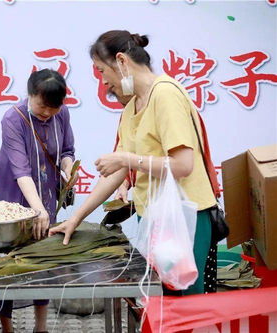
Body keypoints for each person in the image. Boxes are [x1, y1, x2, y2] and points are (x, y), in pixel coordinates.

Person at [50, 30, 219, 295]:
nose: (103, 81)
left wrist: (127, 159)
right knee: (164, 300)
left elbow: (183, 165)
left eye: (101, 71)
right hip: (156, 216)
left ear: (121, 61)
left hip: (185, 216)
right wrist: (77, 218)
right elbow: (117, 173)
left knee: (183, 302)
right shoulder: (133, 107)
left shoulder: (165, 94)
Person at [0, 69, 77, 333]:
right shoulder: (13, 118)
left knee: (42, 256)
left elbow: (67, 150)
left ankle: (41, 327)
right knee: (8, 259)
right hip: (13, 193)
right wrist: (36, 209)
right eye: (42, 106)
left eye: (53, 108)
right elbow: (20, 170)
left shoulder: (63, 113)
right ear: (30, 94)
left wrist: (68, 169)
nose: (47, 113)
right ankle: (7, 328)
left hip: (46, 190)